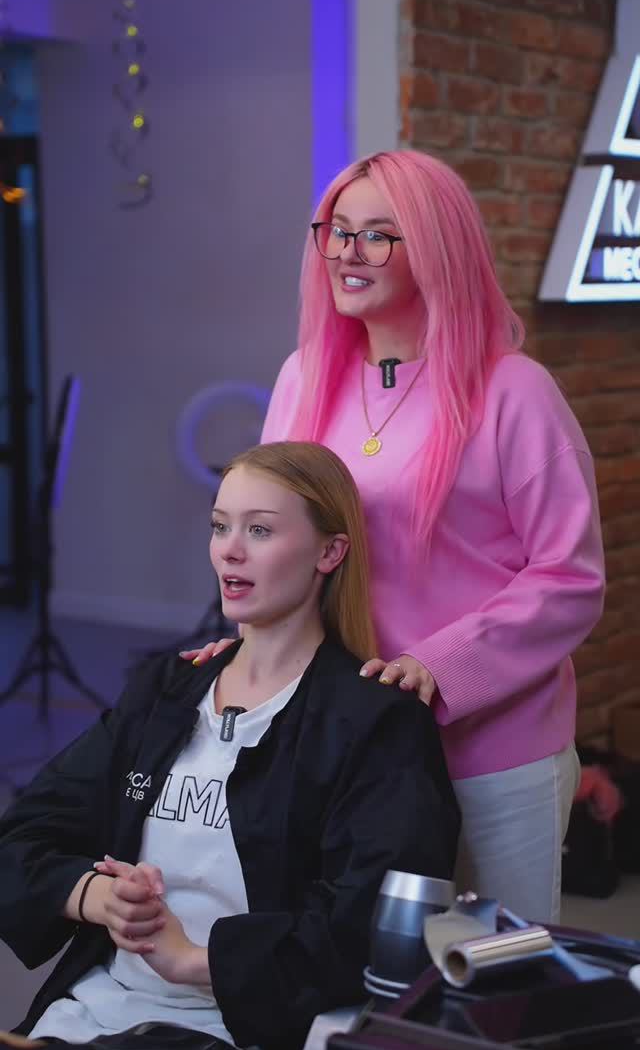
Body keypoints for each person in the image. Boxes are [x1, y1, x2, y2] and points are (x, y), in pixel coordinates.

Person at [183, 149, 606, 924]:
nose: (349, 252)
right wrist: (249, 648)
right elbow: (279, 541)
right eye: (338, 231)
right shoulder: (303, 377)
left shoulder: (515, 391)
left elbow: (570, 578)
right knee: (365, 967)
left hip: (492, 752)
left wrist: (438, 665)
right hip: (349, 744)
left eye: (379, 234)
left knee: (492, 970)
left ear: (437, 248)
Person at [0, 441, 459, 1050]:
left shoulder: (378, 723)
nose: (229, 550)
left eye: (260, 530)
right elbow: (20, 837)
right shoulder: (165, 692)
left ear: (330, 552)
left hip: (236, 1030)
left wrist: (194, 960)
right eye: (220, 527)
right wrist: (101, 899)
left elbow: (368, 925)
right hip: (92, 1010)